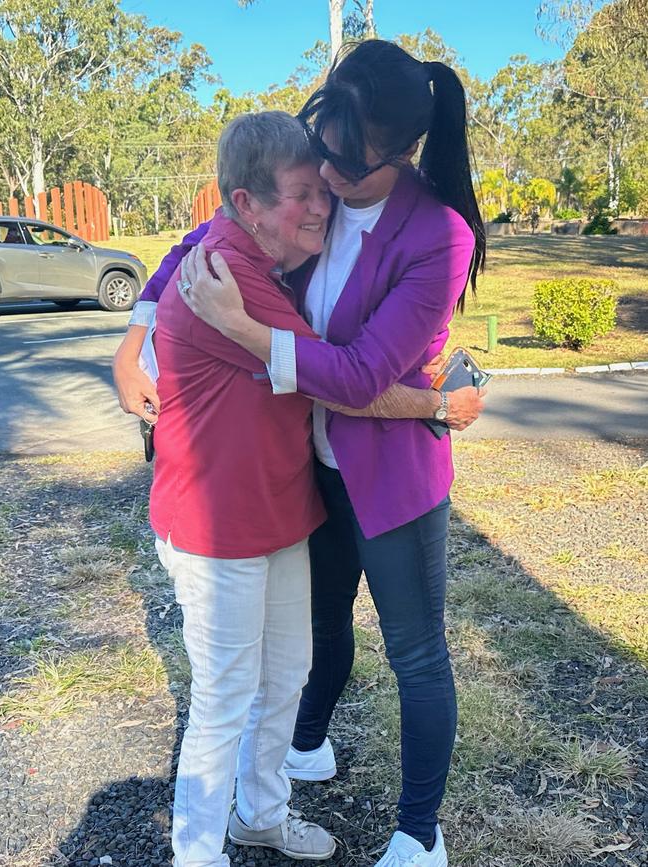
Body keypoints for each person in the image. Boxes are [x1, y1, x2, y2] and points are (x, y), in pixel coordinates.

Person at [114, 39, 486, 867]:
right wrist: (134, 330)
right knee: (309, 636)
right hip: (308, 471)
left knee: (415, 651)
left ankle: (419, 833)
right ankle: (293, 762)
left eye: (346, 164)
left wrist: (248, 330)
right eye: (322, 149)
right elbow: (204, 234)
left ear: (399, 152)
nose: (327, 180)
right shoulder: (304, 192)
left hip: (390, 475)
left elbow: (357, 376)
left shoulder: (437, 235)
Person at [146, 111, 341, 867]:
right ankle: (197, 854)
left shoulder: (247, 258)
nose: (320, 207)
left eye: (322, 190)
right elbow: (340, 376)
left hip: (278, 510)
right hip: (216, 524)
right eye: (301, 195)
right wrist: (430, 401)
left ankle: (259, 814)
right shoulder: (225, 277)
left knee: (285, 674)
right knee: (226, 698)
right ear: (245, 202)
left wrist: (133, 335)